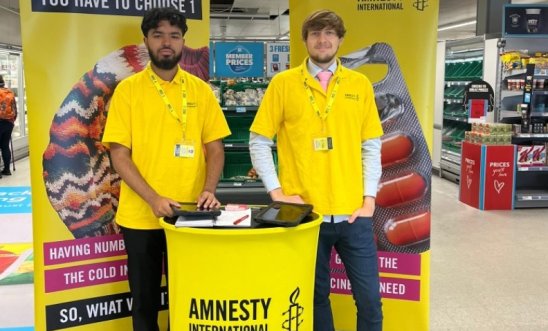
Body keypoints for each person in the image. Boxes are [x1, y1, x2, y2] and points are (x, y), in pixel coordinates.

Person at [249, 9, 383, 331]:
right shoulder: (283, 84)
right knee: (315, 297)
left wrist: (369, 199)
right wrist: (277, 192)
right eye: (315, 34)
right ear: (305, 40)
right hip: (306, 217)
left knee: (369, 300)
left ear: (339, 39)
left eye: (329, 34)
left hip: (354, 214)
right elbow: (258, 140)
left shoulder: (359, 84)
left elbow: (371, 146)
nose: (322, 40)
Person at [102, 8, 230, 331]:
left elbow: (215, 149)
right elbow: (119, 155)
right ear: (146, 40)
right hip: (140, 217)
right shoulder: (128, 91)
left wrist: (209, 190)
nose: (167, 43)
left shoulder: (201, 91)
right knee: (144, 304)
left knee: (187, 299)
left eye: (174, 35)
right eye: (158, 35)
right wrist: (153, 198)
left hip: (190, 216)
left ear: (183, 41)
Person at [0, 74, 17, 177]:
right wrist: (12, 120)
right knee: (5, 146)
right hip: (9, 122)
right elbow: (15, 109)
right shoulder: (9, 92)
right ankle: (7, 169)